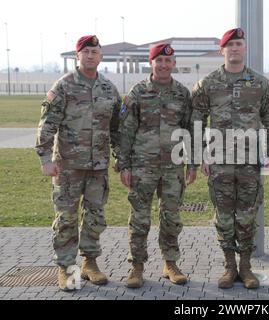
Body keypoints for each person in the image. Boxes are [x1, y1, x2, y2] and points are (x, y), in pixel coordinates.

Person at [190, 28, 269, 289]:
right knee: (224, 216)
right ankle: (229, 266)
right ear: (222, 50)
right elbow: (197, 120)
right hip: (219, 161)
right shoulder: (208, 83)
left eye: (239, 44)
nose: (235, 48)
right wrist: (199, 155)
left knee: (247, 215)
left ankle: (246, 268)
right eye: (230, 45)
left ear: (244, 48)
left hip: (250, 161)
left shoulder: (260, 83)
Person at [35, 35, 121, 291]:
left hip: (98, 167)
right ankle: (66, 269)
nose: (91, 55)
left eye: (95, 51)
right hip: (68, 167)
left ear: (101, 56)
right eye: (86, 51)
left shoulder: (109, 89)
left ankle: (90, 263)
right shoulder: (64, 86)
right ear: (78, 56)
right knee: (67, 219)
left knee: (95, 217)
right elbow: (47, 122)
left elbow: (117, 129)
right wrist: (44, 158)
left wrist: (120, 159)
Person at [118, 44, 195, 288]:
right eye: (158, 60)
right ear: (151, 63)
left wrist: (192, 163)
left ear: (174, 64)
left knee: (171, 216)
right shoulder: (138, 92)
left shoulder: (182, 94)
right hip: (143, 166)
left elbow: (190, 129)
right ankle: (137, 266)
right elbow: (126, 130)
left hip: (173, 167)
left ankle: (170, 263)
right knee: (139, 218)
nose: (163, 65)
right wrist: (124, 165)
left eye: (167, 61)